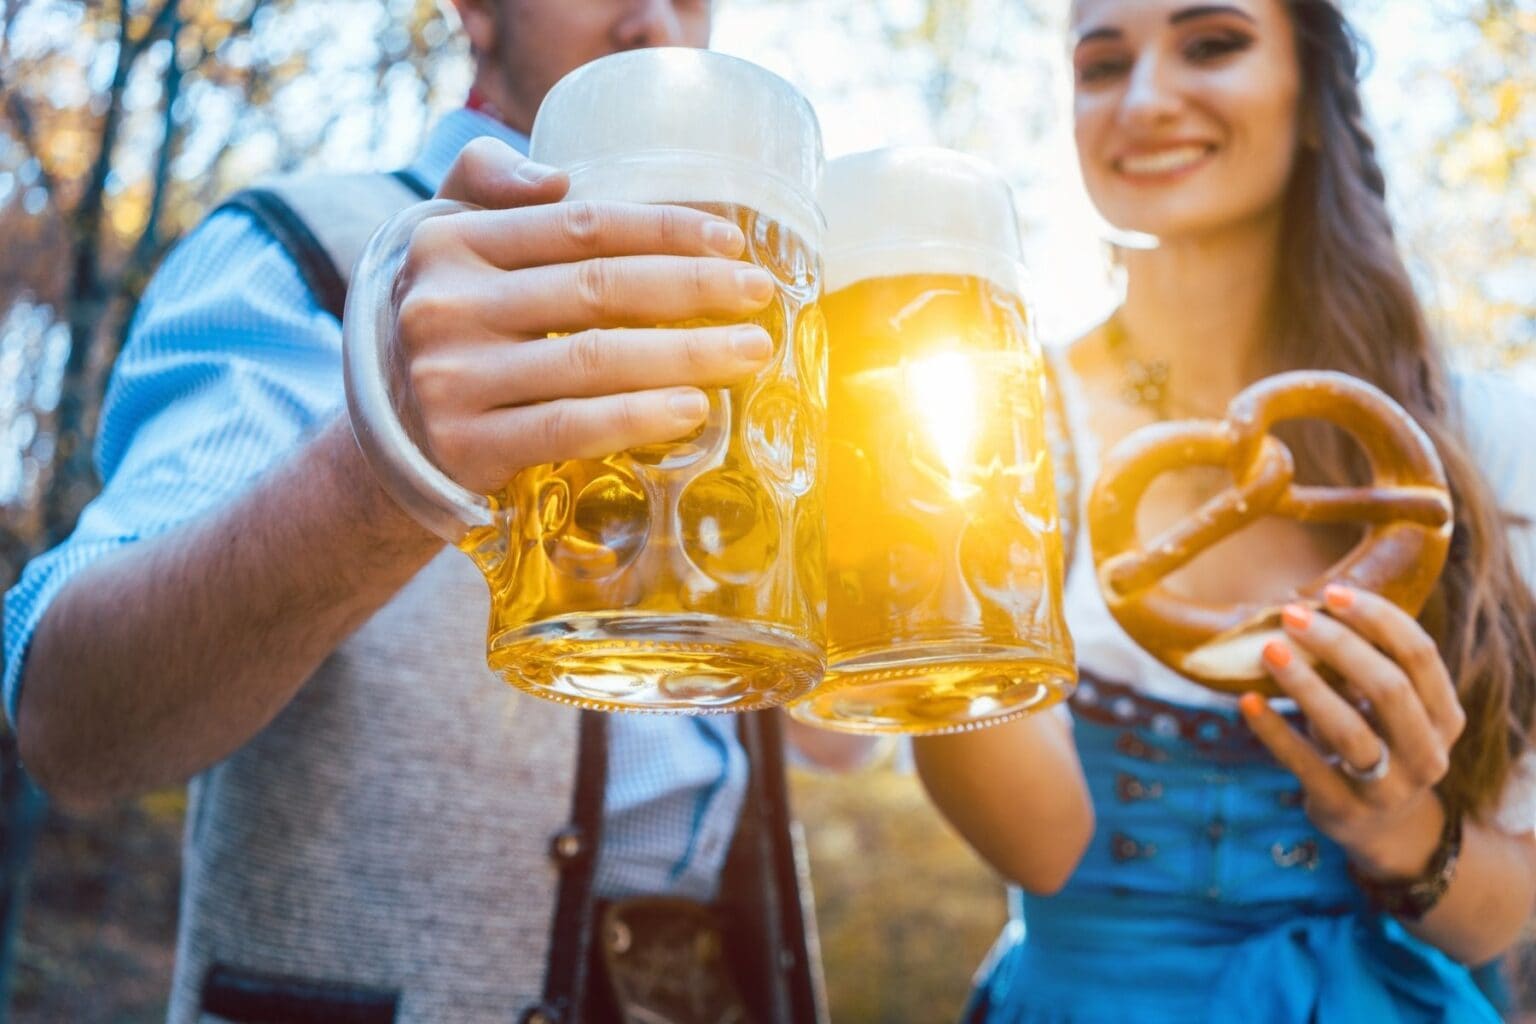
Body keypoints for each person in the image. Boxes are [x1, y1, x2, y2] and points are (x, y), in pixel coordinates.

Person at [4, 2, 857, 1020]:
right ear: (477, 14)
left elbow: (840, 743)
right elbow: (71, 719)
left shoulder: (764, 289)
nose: (654, 15)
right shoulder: (301, 246)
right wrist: (378, 469)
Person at [915, 1, 1536, 1020]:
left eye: (1213, 44)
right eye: (1102, 65)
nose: (1149, 100)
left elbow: (1495, 920)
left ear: (1312, 97)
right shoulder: (998, 426)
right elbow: (1041, 847)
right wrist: (921, 586)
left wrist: (1405, 831)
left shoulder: (1486, 447)